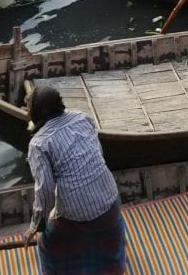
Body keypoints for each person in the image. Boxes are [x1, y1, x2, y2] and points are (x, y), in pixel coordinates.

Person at [23, 86, 124, 275]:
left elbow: (45, 192)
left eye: (28, 109)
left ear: (38, 112)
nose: (26, 112)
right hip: (110, 200)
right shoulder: (82, 117)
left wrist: (35, 227)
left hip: (77, 216)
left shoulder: (39, 144)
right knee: (110, 228)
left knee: (47, 244)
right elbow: (97, 155)